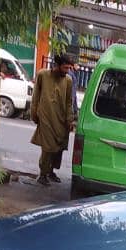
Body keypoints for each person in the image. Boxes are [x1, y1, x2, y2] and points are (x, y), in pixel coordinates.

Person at [31, 54, 75, 186]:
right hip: (46, 117)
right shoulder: (43, 75)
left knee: (59, 147)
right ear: (57, 65)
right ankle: (43, 174)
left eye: (69, 68)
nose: (67, 70)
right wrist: (34, 113)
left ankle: (50, 171)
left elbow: (69, 102)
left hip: (61, 119)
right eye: (65, 67)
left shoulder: (68, 80)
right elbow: (36, 96)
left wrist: (70, 120)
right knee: (47, 147)